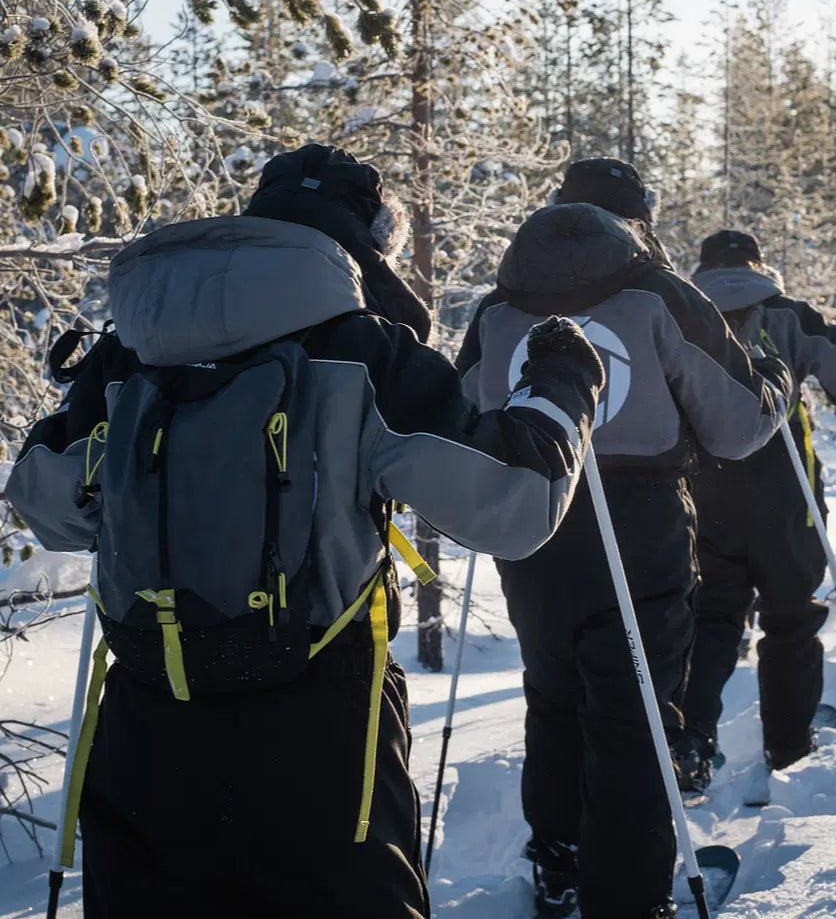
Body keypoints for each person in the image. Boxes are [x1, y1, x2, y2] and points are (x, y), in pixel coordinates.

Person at [5, 144, 606, 919]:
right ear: (361, 241)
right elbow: (515, 503)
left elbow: (46, 503)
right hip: (322, 723)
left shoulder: (126, 354)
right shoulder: (363, 350)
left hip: (148, 724)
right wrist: (563, 378)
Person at [455, 160, 792, 919]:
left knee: (553, 694)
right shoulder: (661, 293)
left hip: (534, 515)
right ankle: (628, 896)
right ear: (637, 217)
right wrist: (772, 378)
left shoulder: (499, 304)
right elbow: (736, 428)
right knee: (635, 711)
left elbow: (461, 412)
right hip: (639, 520)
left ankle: (559, 861)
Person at [676, 230, 836, 799]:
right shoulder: (787, 315)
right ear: (758, 265)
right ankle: (789, 750)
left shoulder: (681, 313)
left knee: (712, 620)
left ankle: (690, 742)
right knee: (790, 622)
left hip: (705, 497)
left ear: (704, 268)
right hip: (786, 501)